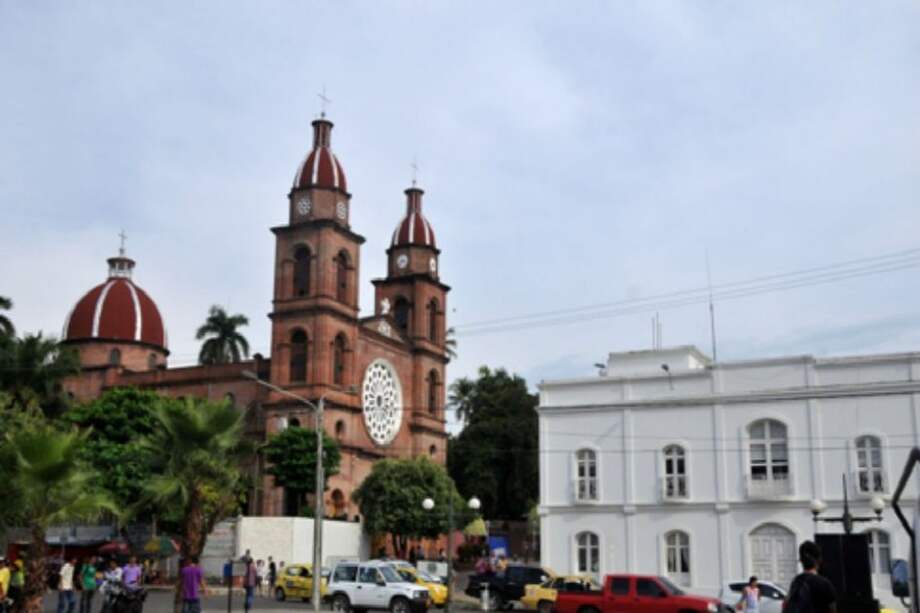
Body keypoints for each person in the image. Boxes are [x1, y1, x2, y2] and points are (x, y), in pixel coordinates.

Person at [785, 541, 837, 613]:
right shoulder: (825, 584)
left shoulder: (795, 582)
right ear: (819, 559)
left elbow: (787, 605)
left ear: (801, 561)